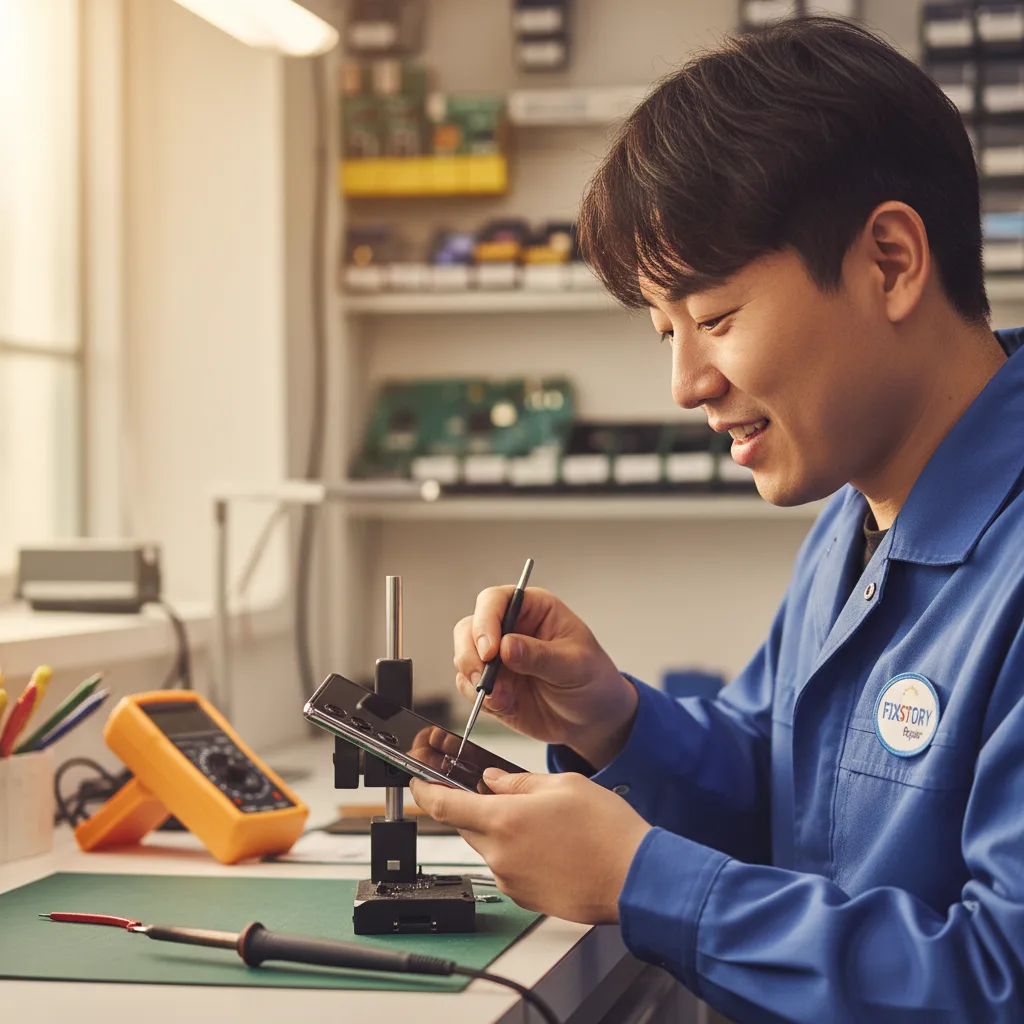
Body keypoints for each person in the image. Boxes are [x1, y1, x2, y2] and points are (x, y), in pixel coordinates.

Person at [409, 17, 1024, 1023]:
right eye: (666, 332)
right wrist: (612, 720)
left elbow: (999, 978)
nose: (686, 383)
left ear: (890, 261)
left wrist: (639, 879)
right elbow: (788, 796)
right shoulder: (855, 518)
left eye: (715, 319)